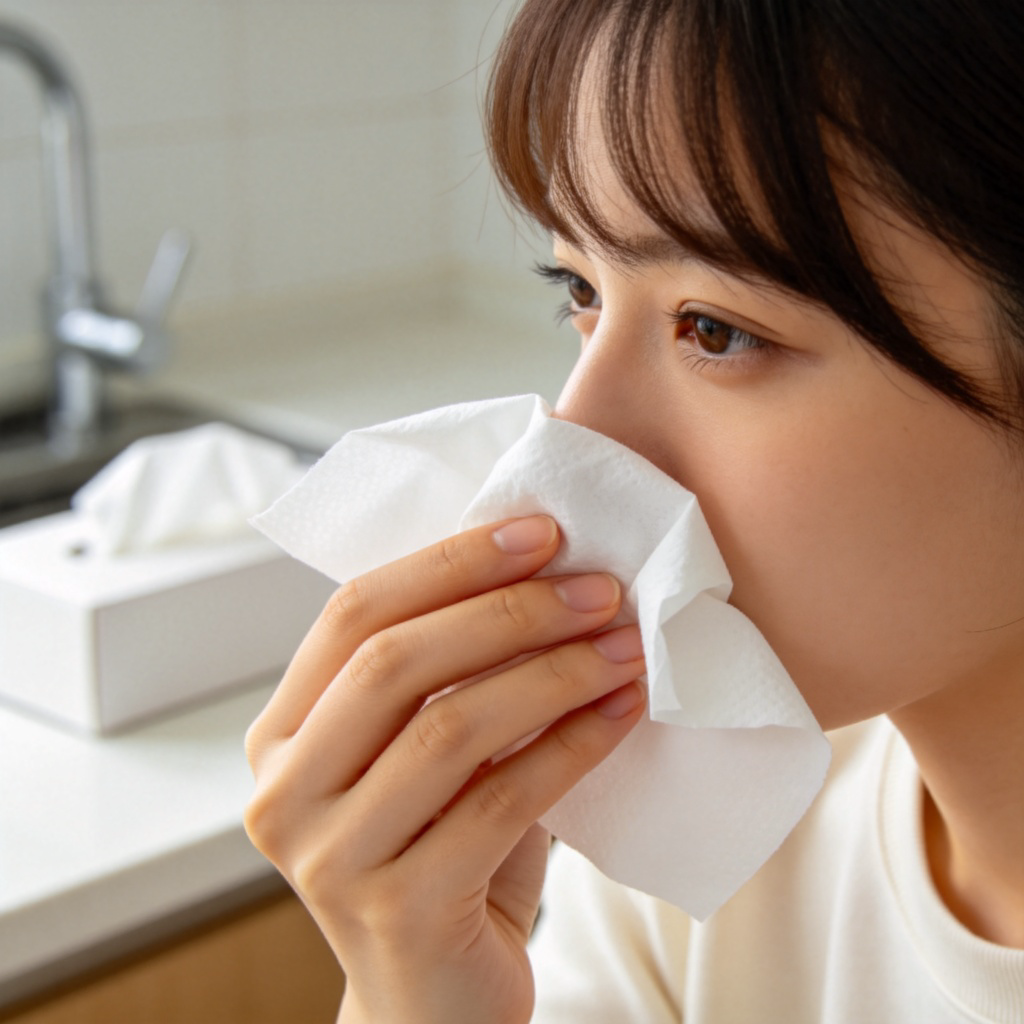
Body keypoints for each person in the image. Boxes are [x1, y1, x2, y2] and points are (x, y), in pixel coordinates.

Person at [243, 0, 1024, 1020]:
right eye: (579, 290)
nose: (572, 441)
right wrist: (410, 991)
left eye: (714, 329)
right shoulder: (719, 839)